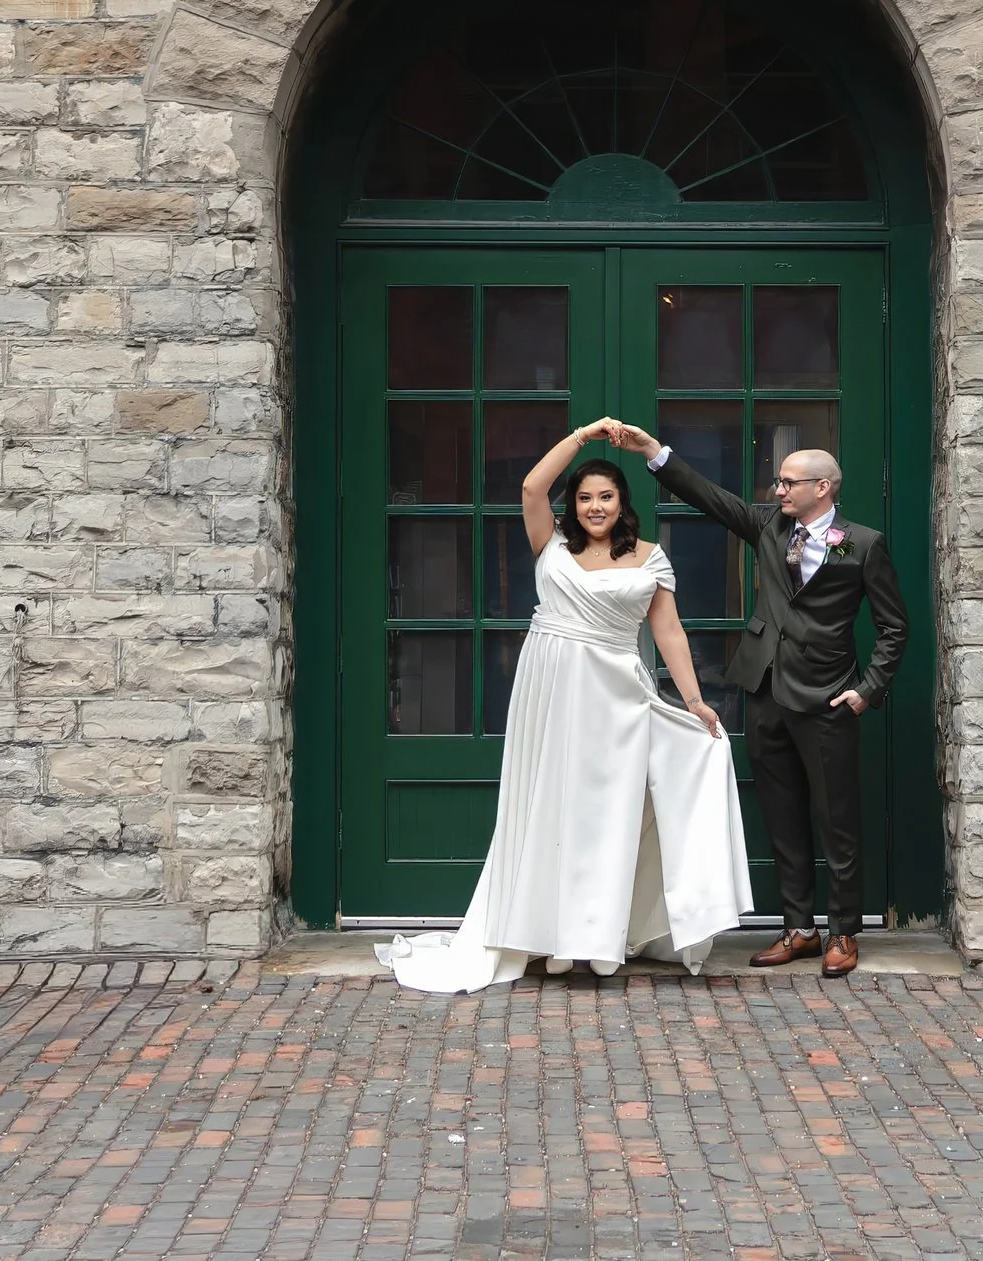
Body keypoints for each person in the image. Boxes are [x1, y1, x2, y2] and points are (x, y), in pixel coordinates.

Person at [377, 424, 752, 992]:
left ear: (622, 502)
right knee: (548, 807)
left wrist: (695, 700)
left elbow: (670, 633)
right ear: (572, 506)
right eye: (584, 498)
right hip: (549, 688)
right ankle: (548, 937)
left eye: (605, 496)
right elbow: (531, 488)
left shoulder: (650, 558)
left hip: (617, 697)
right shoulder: (549, 544)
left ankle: (600, 940)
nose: (595, 506)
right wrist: (583, 437)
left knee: (607, 815)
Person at [608, 422, 907, 980]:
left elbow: (895, 627)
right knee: (783, 816)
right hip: (764, 691)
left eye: (789, 482)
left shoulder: (863, 544)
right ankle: (799, 928)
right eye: (778, 481)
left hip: (827, 698)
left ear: (824, 487)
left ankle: (843, 932)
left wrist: (866, 692)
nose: (778, 490)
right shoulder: (769, 526)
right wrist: (654, 452)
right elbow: (710, 496)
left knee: (836, 820)